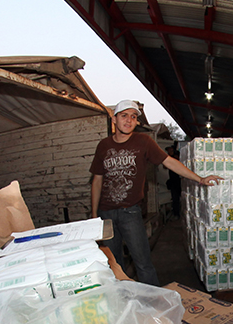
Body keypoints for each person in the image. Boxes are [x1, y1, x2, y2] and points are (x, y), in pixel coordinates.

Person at [90, 100, 221, 286]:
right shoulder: (103, 145)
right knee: (113, 264)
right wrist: (95, 216)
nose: (129, 120)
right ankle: (122, 302)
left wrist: (199, 179)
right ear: (114, 118)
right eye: (124, 115)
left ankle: (154, 304)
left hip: (130, 213)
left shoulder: (143, 142)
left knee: (143, 264)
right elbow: (97, 181)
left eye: (133, 117)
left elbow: (169, 162)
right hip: (106, 214)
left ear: (137, 122)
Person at [164, 145, 182, 219]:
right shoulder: (168, 157)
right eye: (168, 151)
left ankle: (180, 213)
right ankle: (176, 214)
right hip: (173, 181)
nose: (169, 152)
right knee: (175, 199)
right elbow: (164, 166)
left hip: (179, 180)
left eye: (170, 150)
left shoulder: (177, 156)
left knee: (181, 197)